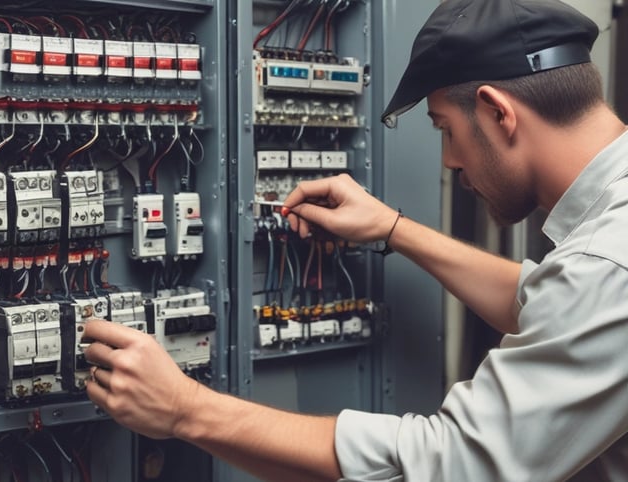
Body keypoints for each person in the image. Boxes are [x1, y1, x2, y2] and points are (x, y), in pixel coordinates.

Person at [83, 0, 628, 480]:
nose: (449, 161)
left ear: (498, 112)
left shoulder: (606, 261)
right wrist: (392, 227)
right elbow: (546, 302)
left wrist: (186, 410)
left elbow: (455, 462)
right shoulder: (607, 245)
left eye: (445, 130)